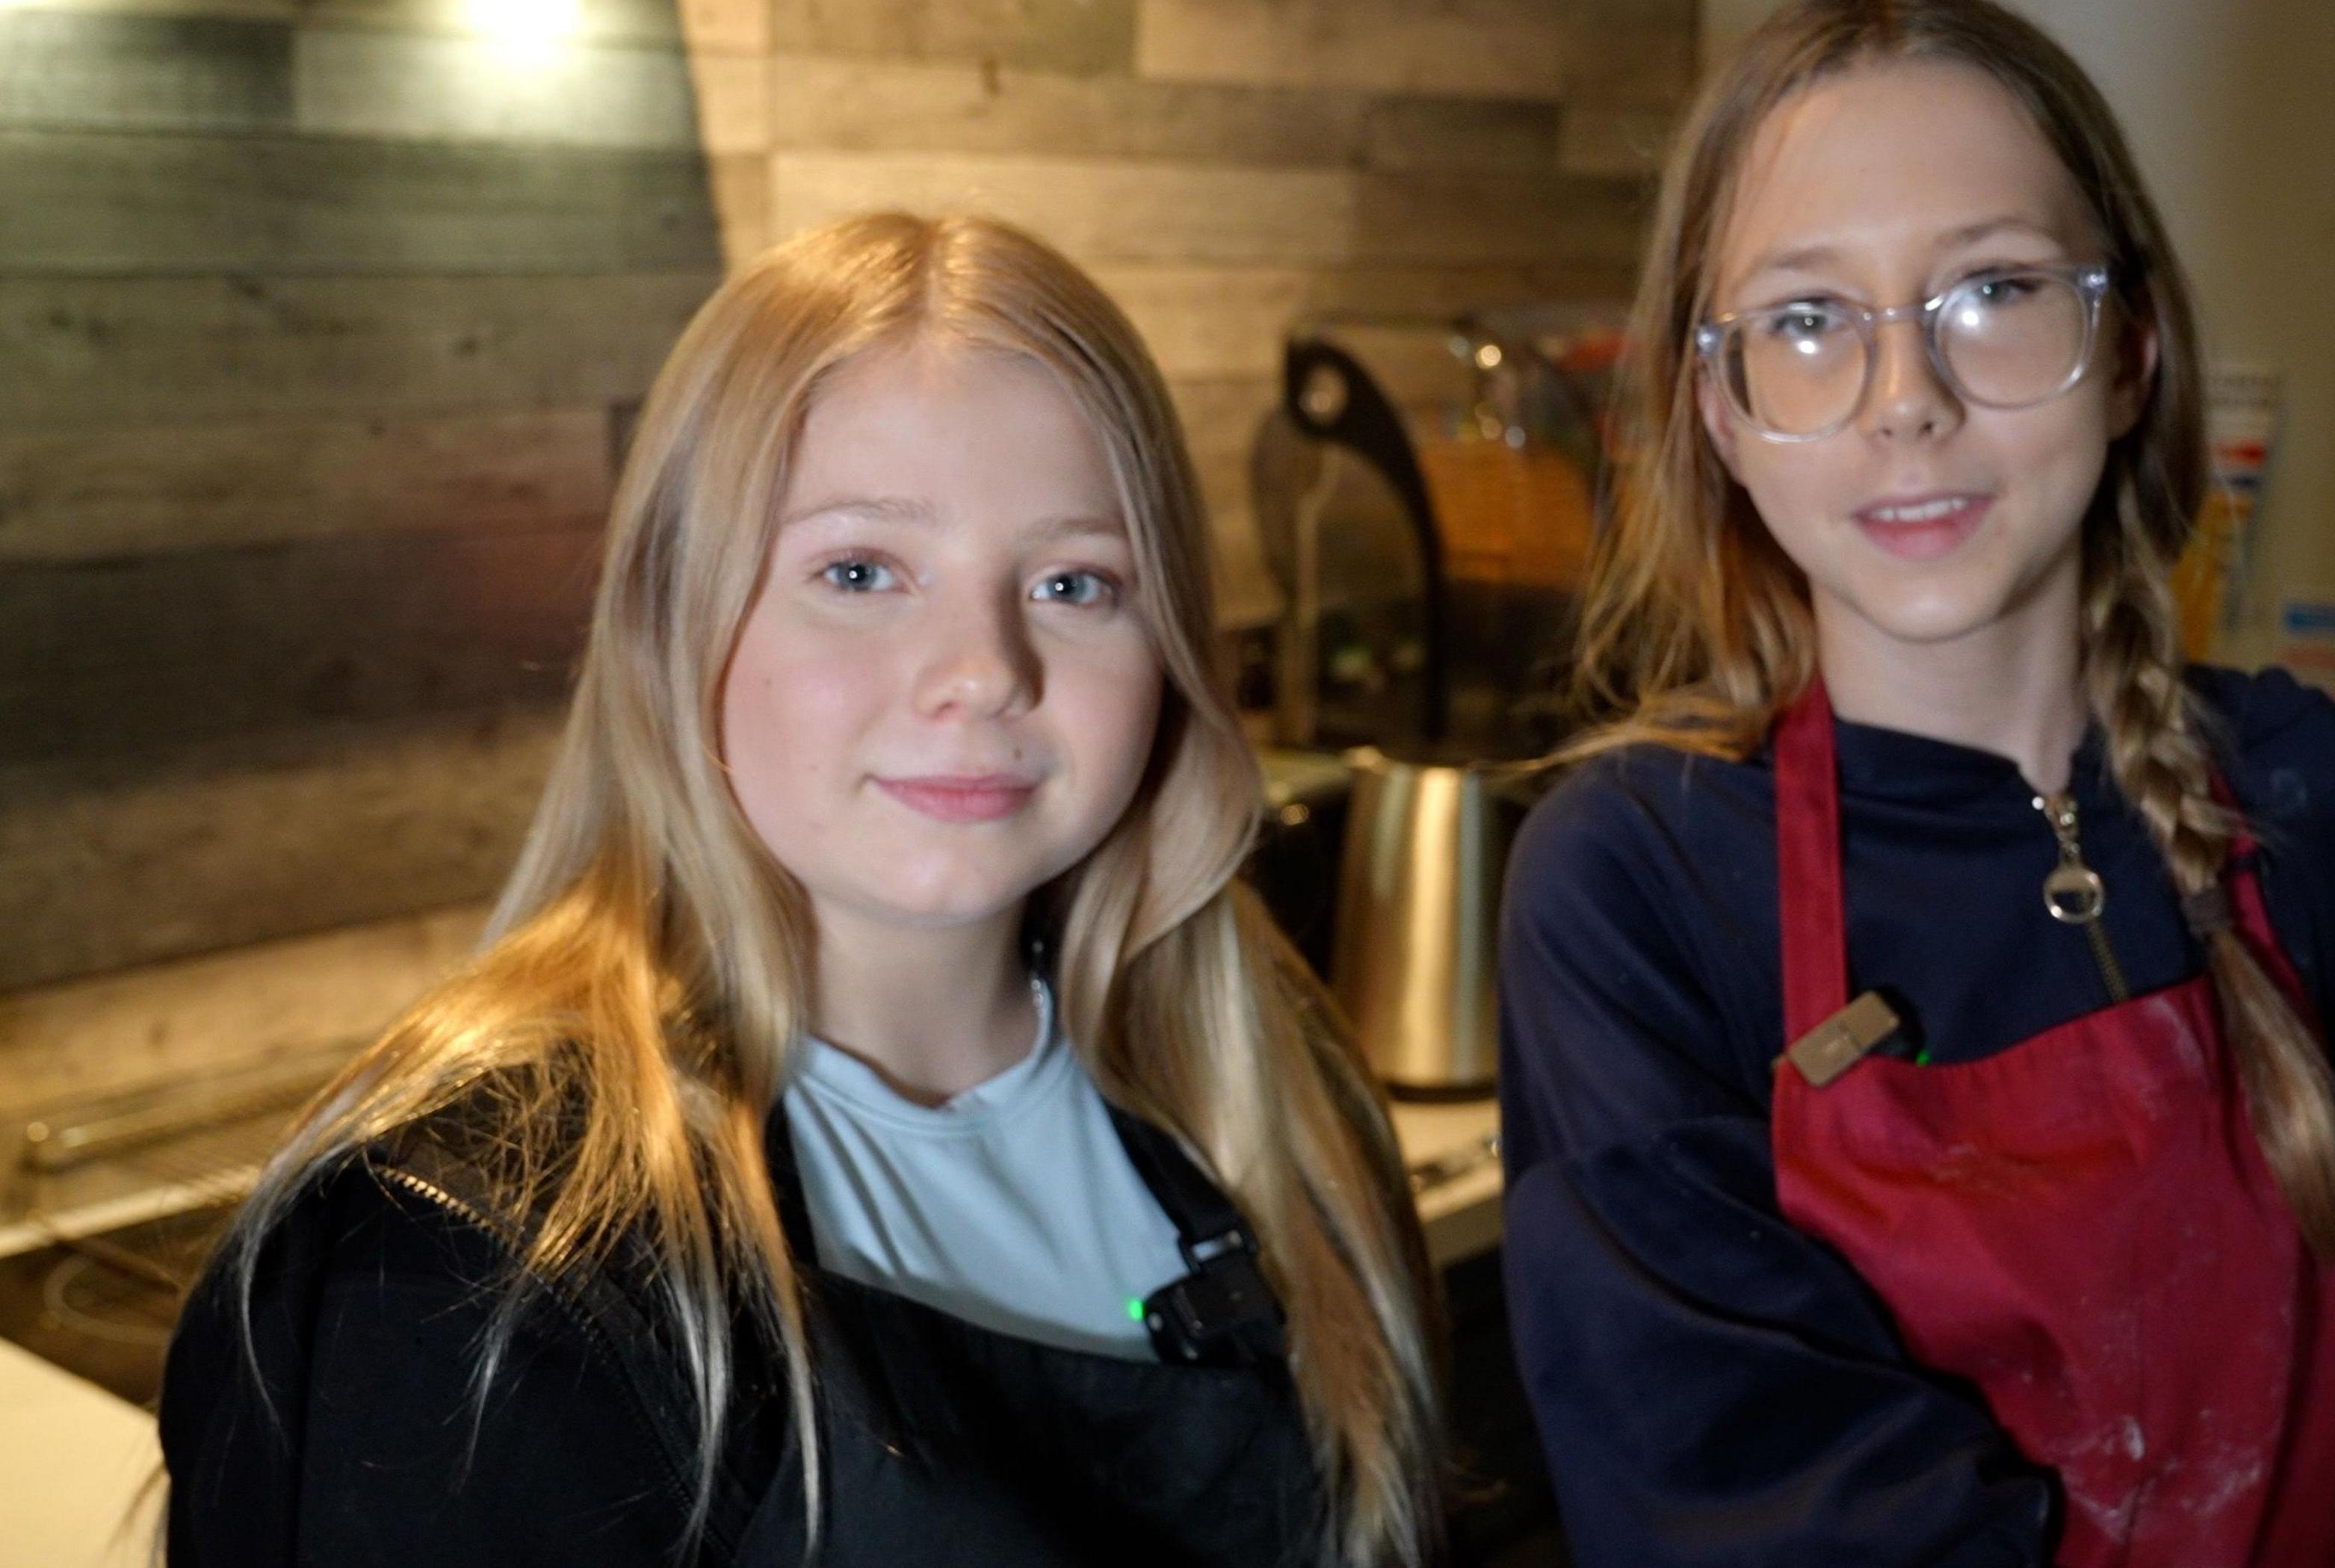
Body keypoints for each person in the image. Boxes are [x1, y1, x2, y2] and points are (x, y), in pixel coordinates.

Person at [1493, 0, 2335, 1568]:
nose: (1907, 403)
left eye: (1993, 289)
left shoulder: (2316, 802)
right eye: (1807, 321)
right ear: (1718, 411)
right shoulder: (1634, 886)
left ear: (2131, 347)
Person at [161, 212, 1441, 1568]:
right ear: (676, 622)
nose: (983, 668)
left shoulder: (1277, 1102)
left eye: (1075, 581)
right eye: (859, 571)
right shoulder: (471, 1262)